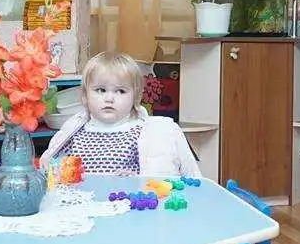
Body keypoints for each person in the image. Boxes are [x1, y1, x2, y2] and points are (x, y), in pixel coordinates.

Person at [39, 51, 201, 178]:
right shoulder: (73, 132)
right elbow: (52, 171)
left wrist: (135, 179)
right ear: (84, 96)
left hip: (129, 205)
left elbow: (189, 180)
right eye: (100, 90)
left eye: (121, 91)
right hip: (83, 205)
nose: (109, 98)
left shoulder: (147, 133)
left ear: (136, 97)